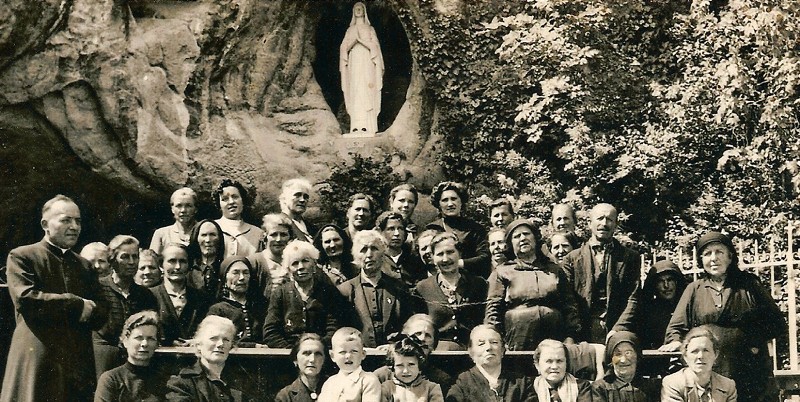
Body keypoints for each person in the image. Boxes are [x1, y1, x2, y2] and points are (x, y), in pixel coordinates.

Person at [1, 195, 107, 402]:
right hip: (38, 358)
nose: (74, 226)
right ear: (45, 224)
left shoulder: (84, 266)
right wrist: (77, 304)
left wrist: (90, 310)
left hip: (75, 362)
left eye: (78, 221)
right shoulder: (22, 256)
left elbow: (102, 310)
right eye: (66, 220)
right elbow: (26, 299)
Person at [661, 231, 784, 402]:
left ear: (730, 256)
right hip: (711, 370)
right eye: (707, 254)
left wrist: (753, 342)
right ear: (700, 260)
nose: (713, 258)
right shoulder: (694, 290)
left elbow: (776, 323)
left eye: (719, 252)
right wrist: (676, 341)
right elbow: (676, 327)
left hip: (749, 367)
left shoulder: (749, 285)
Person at [485, 219, 580, 350]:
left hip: (553, 335)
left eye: (526, 233)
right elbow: (493, 309)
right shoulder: (502, 271)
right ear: (510, 244)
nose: (523, 238)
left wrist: (570, 336)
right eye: (517, 236)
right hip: (517, 338)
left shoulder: (555, 269)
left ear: (535, 238)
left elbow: (569, 305)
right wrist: (496, 339)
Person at [562, 203, 641, 343]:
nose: (604, 224)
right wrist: (576, 331)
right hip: (583, 331)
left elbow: (633, 297)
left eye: (609, 219)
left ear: (616, 224)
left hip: (617, 329)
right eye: (600, 218)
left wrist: (619, 329)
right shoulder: (572, 259)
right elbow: (568, 300)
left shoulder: (630, 258)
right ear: (589, 223)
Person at [94, 235, 159, 378]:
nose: (131, 262)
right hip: (104, 360)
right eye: (125, 257)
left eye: (135, 257)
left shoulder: (145, 295)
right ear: (112, 260)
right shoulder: (97, 289)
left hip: (136, 361)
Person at [338, 230, 415, 348]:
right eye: (363, 250)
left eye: (374, 248)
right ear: (356, 256)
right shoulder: (345, 290)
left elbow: (408, 326)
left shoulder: (399, 288)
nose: (369, 254)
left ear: (383, 253)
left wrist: (394, 346)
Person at [263, 240, 345, 348]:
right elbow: (270, 332)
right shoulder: (280, 293)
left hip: (321, 353)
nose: (301, 267)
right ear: (288, 270)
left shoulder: (328, 292)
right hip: (287, 356)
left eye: (305, 261)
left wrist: (316, 348)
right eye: (295, 263)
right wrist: (293, 352)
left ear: (315, 265)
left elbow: (334, 328)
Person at [414, 233, 488, 351]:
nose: (445, 259)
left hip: (473, 352)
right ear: (433, 257)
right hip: (438, 354)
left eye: (450, 252)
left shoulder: (479, 284)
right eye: (439, 254)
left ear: (460, 253)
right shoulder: (422, 288)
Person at [166, 315, 246, 401]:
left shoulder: (244, 381)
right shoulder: (182, 383)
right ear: (198, 344)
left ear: (231, 345)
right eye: (213, 338)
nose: (220, 344)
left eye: (226, 339)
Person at [446, 325, 534, 402]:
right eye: (481, 344)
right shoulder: (461, 383)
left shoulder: (522, 383)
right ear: (471, 352)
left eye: (494, 342)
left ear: (503, 349)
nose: (488, 347)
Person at [613, 259, 688, 350]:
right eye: (660, 281)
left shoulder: (687, 306)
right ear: (654, 285)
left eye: (670, 280)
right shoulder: (648, 310)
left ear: (677, 282)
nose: (666, 285)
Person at [94, 310, 166, 402]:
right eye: (138, 338)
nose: (144, 344)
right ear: (125, 341)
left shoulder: (163, 380)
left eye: (151, 338)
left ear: (157, 344)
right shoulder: (111, 379)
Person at [373, 314, 454, 395]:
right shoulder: (382, 376)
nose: (422, 339)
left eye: (428, 335)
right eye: (418, 333)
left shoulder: (441, 379)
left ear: (434, 344)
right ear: (404, 339)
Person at [151, 243, 211, 346]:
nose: (178, 267)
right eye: (172, 261)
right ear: (161, 265)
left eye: (183, 261)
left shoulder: (201, 298)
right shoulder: (150, 295)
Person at [427, 181, 490, 278]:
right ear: (439, 204)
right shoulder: (432, 228)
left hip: (470, 278)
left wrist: (458, 263)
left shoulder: (475, 228)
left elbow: (484, 257)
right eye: (445, 200)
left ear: (461, 201)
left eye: (454, 199)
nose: (450, 204)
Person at [339, 1, 384, 135]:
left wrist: (362, 41)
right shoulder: (350, 30)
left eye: (361, 8)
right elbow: (343, 48)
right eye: (356, 8)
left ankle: (368, 126)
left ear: (364, 11)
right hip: (354, 62)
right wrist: (354, 41)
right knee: (355, 90)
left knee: (367, 90)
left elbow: (375, 47)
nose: (358, 10)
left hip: (367, 61)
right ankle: (356, 126)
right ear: (353, 12)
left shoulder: (370, 29)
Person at [661, 326, 737, 402]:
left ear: (715, 355)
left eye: (706, 350)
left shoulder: (728, 386)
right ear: (685, 356)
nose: (700, 356)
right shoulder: (673, 383)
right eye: (694, 351)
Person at [207, 256, 268, 347]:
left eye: (246, 273)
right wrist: (252, 346)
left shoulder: (261, 306)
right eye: (235, 273)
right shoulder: (218, 310)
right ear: (225, 277)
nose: (242, 278)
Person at [592, 331, 659, 402]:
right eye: (618, 354)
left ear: (637, 356)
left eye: (628, 353)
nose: (623, 360)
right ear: (611, 358)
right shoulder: (600, 388)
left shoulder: (650, 387)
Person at [318, 327, 382, 401]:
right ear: (332, 356)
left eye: (354, 351)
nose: (348, 356)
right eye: (342, 352)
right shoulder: (330, 383)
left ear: (363, 354)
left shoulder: (368, 380)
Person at [380, 335, 444, 402]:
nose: (405, 371)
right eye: (400, 365)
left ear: (419, 365)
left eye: (411, 364)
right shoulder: (386, 388)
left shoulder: (431, 388)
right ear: (393, 367)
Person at [376, 211, 427, 288]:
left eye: (400, 229)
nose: (397, 233)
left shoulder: (415, 261)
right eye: (391, 229)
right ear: (380, 232)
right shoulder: (377, 260)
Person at [213, 179, 263, 258]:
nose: (231, 202)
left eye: (235, 197)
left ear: (242, 200)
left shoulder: (257, 234)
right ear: (219, 204)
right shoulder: (212, 228)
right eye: (225, 199)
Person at [248, 213, 292, 297]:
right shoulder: (253, 262)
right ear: (265, 237)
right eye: (274, 234)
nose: (278, 239)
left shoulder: (294, 261)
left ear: (289, 237)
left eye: (283, 235)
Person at [276, 333, 328, 402]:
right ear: (295, 359)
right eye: (306, 353)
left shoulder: (335, 388)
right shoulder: (285, 396)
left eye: (318, 354)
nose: (312, 359)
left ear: (324, 359)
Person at [187, 219, 226, 300]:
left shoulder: (225, 269)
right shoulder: (187, 269)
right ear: (196, 238)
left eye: (212, 235)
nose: (208, 240)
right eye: (204, 235)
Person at [150, 187, 198, 253]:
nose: (183, 210)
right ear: (172, 209)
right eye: (179, 206)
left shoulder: (203, 232)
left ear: (195, 209)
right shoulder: (161, 234)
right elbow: (152, 260)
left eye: (188, 205)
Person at [280, 178, 316, 243]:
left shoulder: (312, 228)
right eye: (297, 195)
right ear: (284, 198)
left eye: (306, 197)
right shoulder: (277, 224)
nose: (302, 200)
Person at [388, 184, 420, 248]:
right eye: (401, 200)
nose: (406, 205)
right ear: (391, 203)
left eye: (410, 202)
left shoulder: (418, 232)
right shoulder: (381, 229)